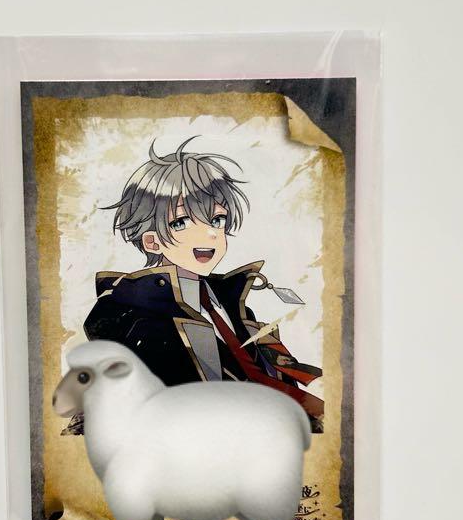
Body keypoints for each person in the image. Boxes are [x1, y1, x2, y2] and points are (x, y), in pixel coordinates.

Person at [72, 137, 324, 433]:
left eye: (217, 220)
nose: (209, 234)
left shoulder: (230, 298)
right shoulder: (132, 314)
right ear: (152, 241)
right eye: (181, 222)